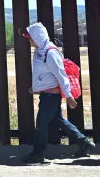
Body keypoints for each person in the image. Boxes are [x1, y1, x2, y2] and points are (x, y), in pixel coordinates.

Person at [22, 22, 95, 164]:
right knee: (60, 121)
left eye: (31, 38)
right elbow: (43, 74)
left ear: (38, 37)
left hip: (51, 96)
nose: (29, 41)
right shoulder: (40, 51)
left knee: (41, 124)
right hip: (47, 94)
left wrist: (68, 95)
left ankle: (38, 154)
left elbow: (61, 75)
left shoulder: (50, 53)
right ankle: (84, 143)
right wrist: (36, 87)